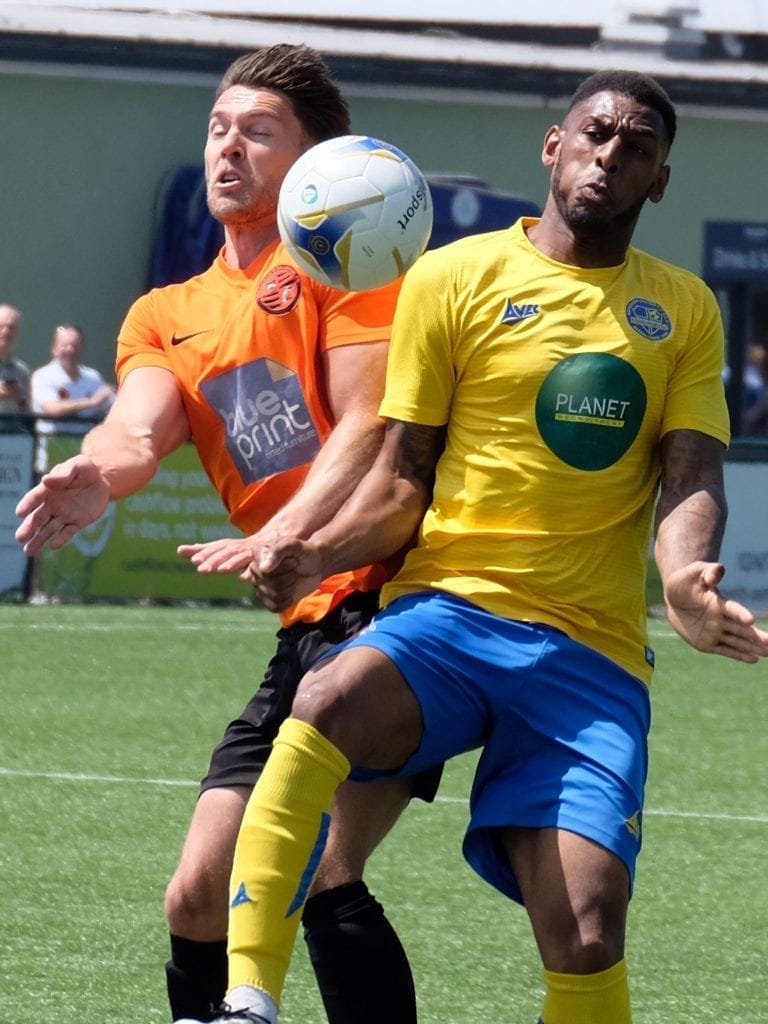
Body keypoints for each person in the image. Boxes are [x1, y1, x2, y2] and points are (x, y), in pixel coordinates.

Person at [187, 70, 768, 1024]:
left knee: (586, 927)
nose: (610, 155)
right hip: (447, 616)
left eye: (638, 147)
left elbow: (692, 476)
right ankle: (248, 998)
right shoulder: (453, 278)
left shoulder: (685, 310)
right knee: (325, 694)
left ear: (659, 181)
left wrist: (685, 584)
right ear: (553, 145)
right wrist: (318, 550)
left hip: (590, 652)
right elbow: (402, 482)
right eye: (595, 133)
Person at [15, 44, 439, 1024]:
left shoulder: (353, 259)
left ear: (315, 163)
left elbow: (373, 425)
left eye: (258, 130)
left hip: (392, 605)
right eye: (217, 127)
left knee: (319, 865)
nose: (227, 147)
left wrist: (288, 529)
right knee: (199, 894)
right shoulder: (169, 312)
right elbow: (138, 427)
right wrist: (97, 471)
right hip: (303, 619)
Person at [31, 324, 116, 472]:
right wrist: (92, 402)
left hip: (84, 457)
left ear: (83, 349)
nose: (70, 350)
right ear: (54, 348)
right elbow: (52, 409)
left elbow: (112, 406)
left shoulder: (93, 377)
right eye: (65, 345)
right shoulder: (43, 376)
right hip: (50, 457)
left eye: (75, 346)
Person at [0, 303, 31, 417]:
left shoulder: (21, 371)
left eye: (11, 327)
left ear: (17, 332)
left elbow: (29, 412)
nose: (5, 332)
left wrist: (19, 399)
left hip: (14, 431)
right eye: (1, 326)